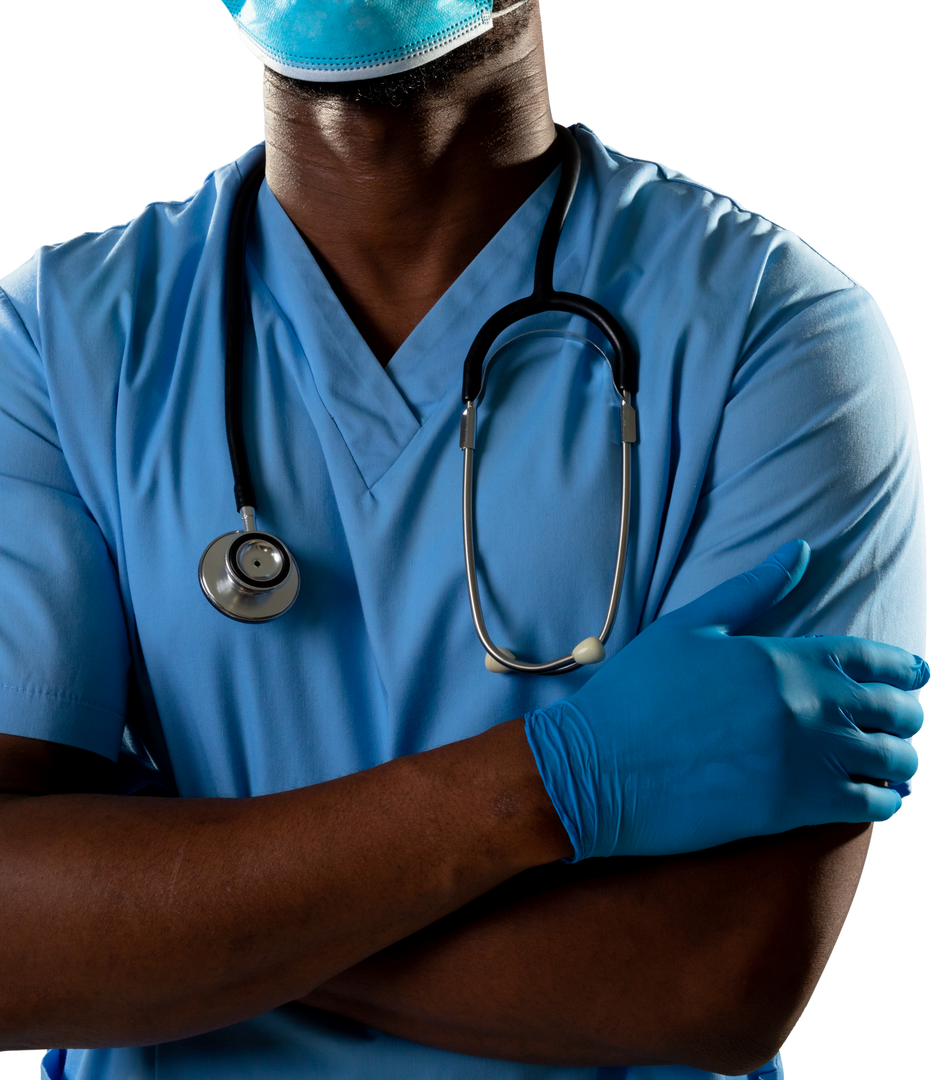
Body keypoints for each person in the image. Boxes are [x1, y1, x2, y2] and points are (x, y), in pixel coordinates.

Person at [0, 2, 926, 1078]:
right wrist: (552, 782)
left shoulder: (777, 331)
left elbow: (713, 982)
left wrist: (150, 915)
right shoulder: (57, 335)